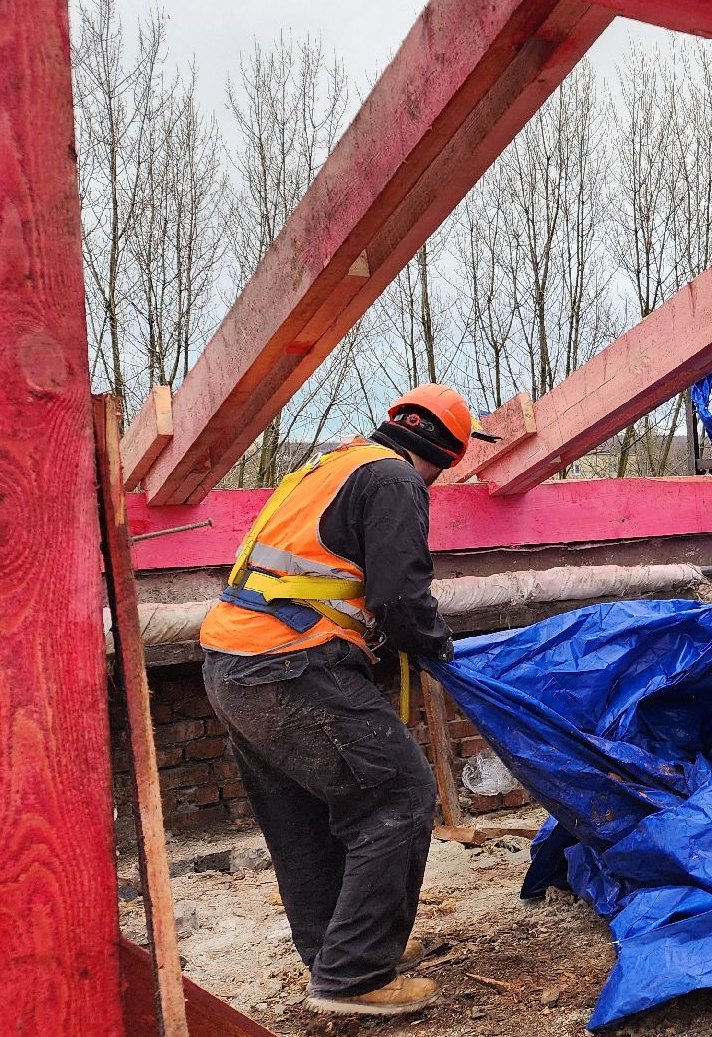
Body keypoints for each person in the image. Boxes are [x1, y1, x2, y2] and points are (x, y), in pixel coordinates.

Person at [199, 384, 497, 1015]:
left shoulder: (334, 463)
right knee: (400, 796)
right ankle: (356, 974)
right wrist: (438, 648)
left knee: (302, 821)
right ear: (448, 455)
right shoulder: (395, 480)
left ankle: (337, 954)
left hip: (233, 665)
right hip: (292, 663)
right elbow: (400, 596)